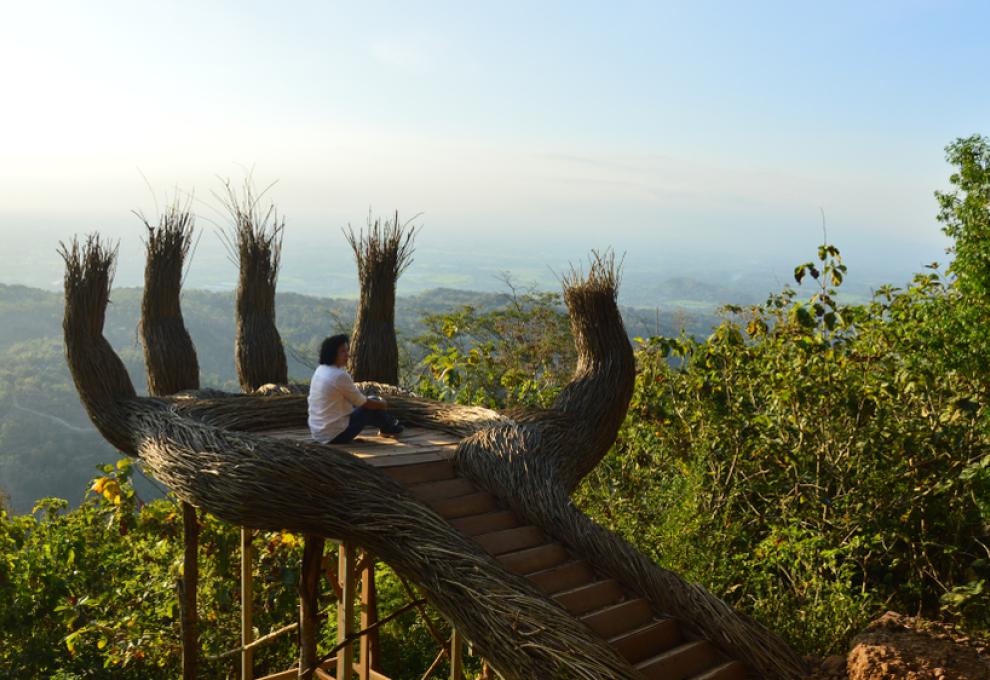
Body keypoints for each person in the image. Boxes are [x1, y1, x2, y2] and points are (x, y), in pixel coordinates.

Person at [307, 334, 404, 444]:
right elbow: (363, 403)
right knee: (372, 403)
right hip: (336, 436)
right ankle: (390, 426)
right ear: (332, 353)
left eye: (347, 351)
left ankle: (389, 425)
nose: (347, 355)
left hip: (318, 433)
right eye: (342, 352)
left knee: (367, 402)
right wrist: (383, 404)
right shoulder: (339, 376)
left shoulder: (320, 370)